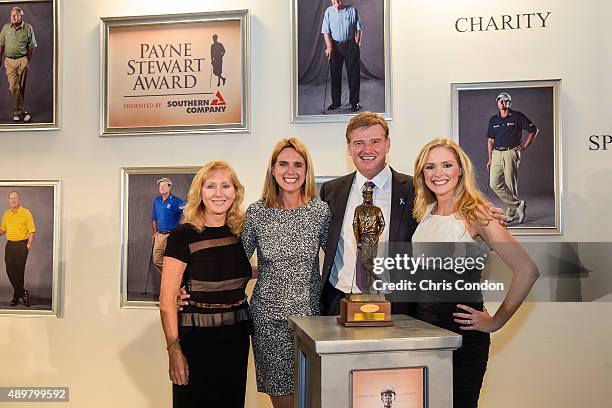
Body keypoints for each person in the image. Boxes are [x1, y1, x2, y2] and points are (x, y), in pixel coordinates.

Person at [412, 138, 540, 408]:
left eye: (447, 165)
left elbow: (527, 270)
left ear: (461, 170)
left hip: (462, 340)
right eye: (430, 167)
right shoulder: (427, 213)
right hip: (424, 339)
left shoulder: (476, 214)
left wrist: (496, 321)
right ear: (422, 174)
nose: (438, 174)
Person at [241, 138, 331, 408]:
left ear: (306, 170)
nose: (290, 171)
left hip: (310, 320)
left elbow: (340, 259)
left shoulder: (320, 211)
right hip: (268, 320)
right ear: (272, 169)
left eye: (298, 164)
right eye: (283, 164)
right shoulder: (256, 212)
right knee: (283, 402)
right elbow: (235, 263)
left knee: (313, 397)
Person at [159, 161, 252, 408]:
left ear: (236, 191)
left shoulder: (240, 232)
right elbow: (167, 300)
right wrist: (173, 349)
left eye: (225, 186)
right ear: (199, 192)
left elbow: (232, 271)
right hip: (195, 341)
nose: (219, 193)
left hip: (236, 339)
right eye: (211, 186)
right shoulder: (182, 235)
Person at [319, 111, 418, 316]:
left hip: (395, 303)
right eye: (359, 143)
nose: (367, 149)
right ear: (349, 148)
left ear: (387, 144)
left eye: (375, 141)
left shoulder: (413, 189)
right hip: (339, 300)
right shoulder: (331, 191)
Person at [486, 92, 538, 223]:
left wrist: (524, 146)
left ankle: (512, 212)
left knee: (510, 184)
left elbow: (534, 130)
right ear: (497, 102)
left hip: (511, 153)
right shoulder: (493, 120)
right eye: (500, 101)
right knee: (494, 183)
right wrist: (490, 158)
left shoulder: (517, 116)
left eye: (505, 101)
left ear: (509, 103)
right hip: (496, 153)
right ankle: (518, 204)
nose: (503, 103)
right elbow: (490, 141)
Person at [321, 0, 363, 112]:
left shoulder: (352, 10)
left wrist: (357, 43)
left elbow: (359, 28)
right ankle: (336, 102)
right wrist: (329, 46)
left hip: (350, 45)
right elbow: (326, 31)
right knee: (335, 75)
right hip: (335, 46)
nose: (336, 1)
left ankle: (354, 103)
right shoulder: (328, 12)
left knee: (353, 76)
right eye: (334, 0)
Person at [0, 6, 37, 122]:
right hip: (9, 61)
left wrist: (27, 61)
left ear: (21, 16)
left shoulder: (28, 28)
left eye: (16, 15)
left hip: (22, 60)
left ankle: (17, 112)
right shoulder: (6, 28)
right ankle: (22, 112)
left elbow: (31, 46)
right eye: (12, 15)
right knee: (13, 87)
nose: (13, 17)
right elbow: (1, 44)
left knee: (20, 87)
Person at [0, 191, 36, 307]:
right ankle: (22, 292)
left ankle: (16, 295)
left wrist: (28, 245)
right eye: (11, 198)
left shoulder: (26, 213)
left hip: (22, 245)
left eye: (15, 198)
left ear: (19, 199)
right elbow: (3, 230)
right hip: (10, 245)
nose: (13, 201)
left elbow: (32, 231)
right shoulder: (6, 214)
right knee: (10, 271)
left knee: (20, 272)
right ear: (8, 200)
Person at [151, 177, 185, 274]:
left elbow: (188, 211)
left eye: (164, 186)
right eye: (160, 186)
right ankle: (172, 278)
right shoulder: (156, 200)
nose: (161, 188)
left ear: (170, 187)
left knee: (172, 261)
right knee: (157, 260)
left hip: (172, 235)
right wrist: (154, 233)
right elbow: (154, 217)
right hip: (160, 235)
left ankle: (176, 282)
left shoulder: (176, 201)